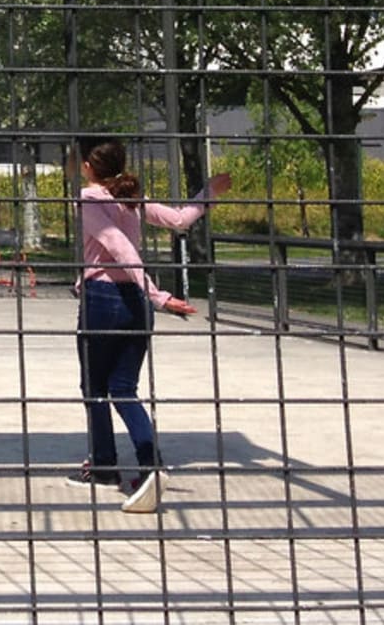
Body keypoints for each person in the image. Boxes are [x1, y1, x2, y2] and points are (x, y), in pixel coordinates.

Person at [68, 137, 231, 512]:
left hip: (105, 300)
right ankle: (149, 464)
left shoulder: (91, 198)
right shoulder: (130, 198)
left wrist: (156, 294)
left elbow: (118, 247)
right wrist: (209, 191)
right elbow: (179, 220)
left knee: (94, 386)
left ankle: (105, 466)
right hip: (135, 304)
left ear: (89, 166)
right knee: (123, 388)